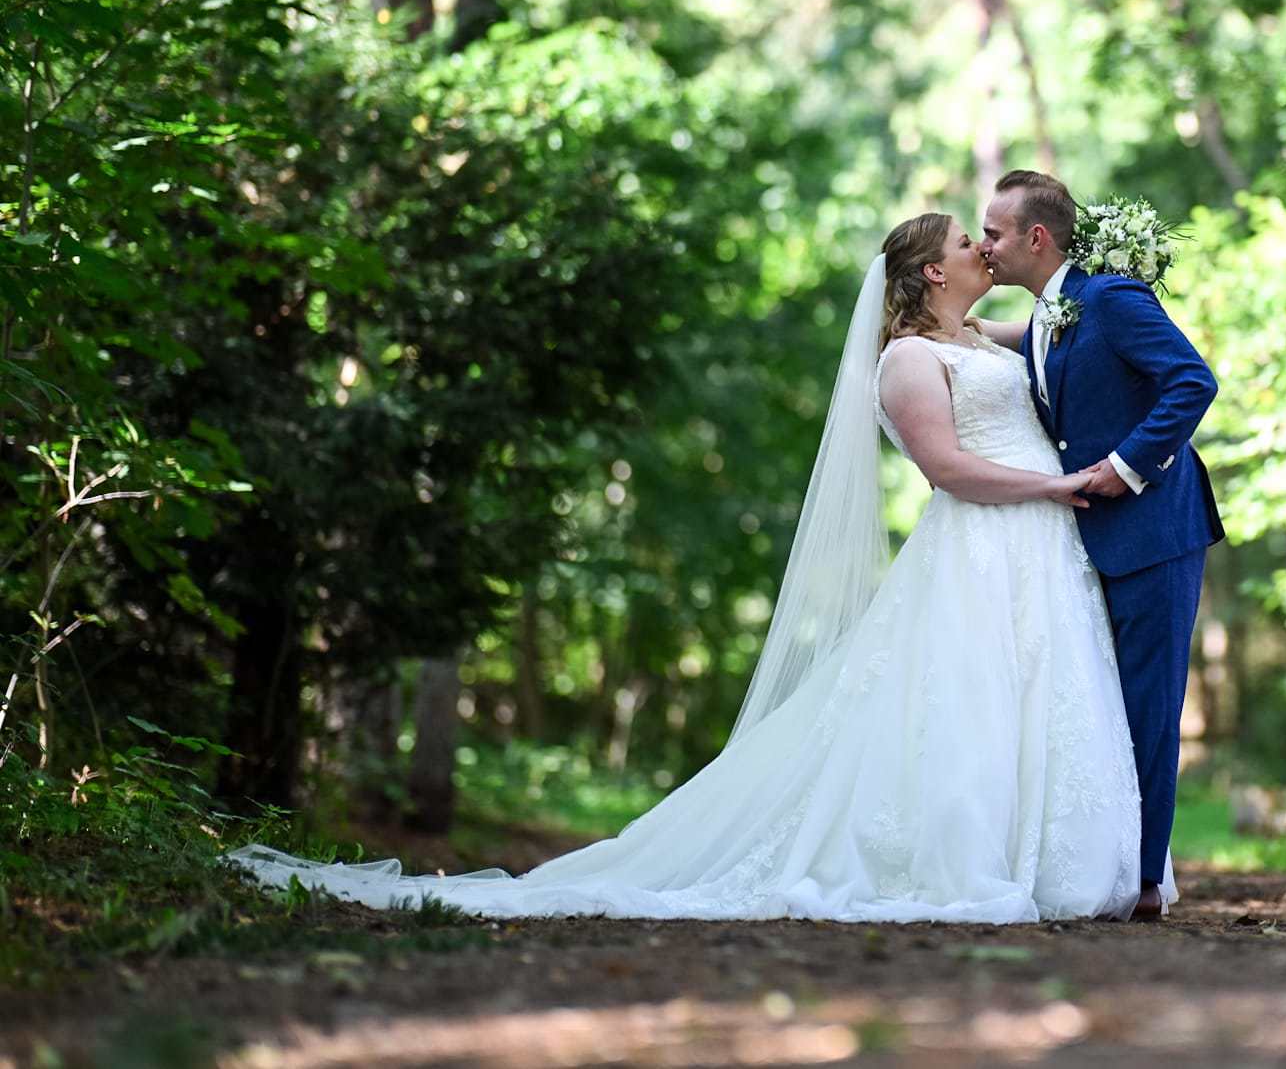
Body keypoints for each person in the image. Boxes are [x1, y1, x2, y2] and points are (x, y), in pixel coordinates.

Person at [226, 212, 1153, 922]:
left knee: (1035, 694)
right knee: (965, 704)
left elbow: (1056, 345)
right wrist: (1054, 485)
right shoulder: (907, 359)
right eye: (965, 240)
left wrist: (1104, 273)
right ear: (926, 270)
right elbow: (945, 470)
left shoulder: (976, 340)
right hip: (981, 546)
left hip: (1039, 548)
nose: (980, 249)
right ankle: (958, 856)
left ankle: (1054, 860)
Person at [978, 170, 1224, 922]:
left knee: (1149, 708)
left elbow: (1192, 381)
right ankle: (1106, 862)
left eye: (994, 233)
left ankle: (1146, 884)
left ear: (1036, 237)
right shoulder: (1057, 314)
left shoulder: (1113, 298)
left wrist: (1124, 467)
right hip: (1087, 542)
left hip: (1154, 531)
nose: (985, 246)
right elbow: (1048, 359)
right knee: (1100, 709)